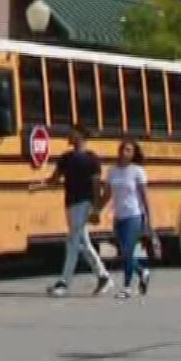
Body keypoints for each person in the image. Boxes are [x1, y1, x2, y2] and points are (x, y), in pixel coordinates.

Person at [31, 125, 112, 297]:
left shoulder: (92, 159)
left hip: (84, 203)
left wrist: (96, 210)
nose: (69, 135)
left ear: (81, 136)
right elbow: (54, 179)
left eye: (73, 133)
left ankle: (64, 283)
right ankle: (103, 276)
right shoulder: (65, 158)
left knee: (73, 242)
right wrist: (40, 185)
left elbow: (96, 186)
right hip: (70, 204)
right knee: (83, 242)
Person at [108, 139, 154, 299]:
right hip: (119, 216)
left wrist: (148, 220)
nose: (124, 152)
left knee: (128, 251)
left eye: (128, 150)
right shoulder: (112, 171)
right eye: (122, 149)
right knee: (124, 254)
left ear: (134, 153)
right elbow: (108, 194)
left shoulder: (137, 171)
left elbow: (144, 196)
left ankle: (127, 287)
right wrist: (96, 210)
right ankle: (142, 272)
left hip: (134, 216)